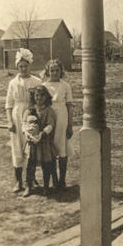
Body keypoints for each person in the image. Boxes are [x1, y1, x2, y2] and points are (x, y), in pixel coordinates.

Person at [5, 48, 41, 193]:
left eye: (25, 66)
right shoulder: (13, 83)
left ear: (30, 66)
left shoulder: (37, 81)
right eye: (20, 66)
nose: (23, 68)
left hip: (31, 116)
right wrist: (9, 121)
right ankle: (18, 182)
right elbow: (8, 104)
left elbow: (41, 100)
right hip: (16, 115)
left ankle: (29, 184)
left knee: (30, 149)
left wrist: (36, 119)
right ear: (17, 67)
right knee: (17, 148)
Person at [43, 58, 74, 189]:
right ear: (48, 71)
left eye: (57, 70)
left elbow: (70, 106)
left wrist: (70, 125)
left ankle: (62, 180)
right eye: (52, 70)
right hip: (48, 116)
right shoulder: (44, 86)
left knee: (62, 148)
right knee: (49, 148)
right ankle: (54, 179)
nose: (54, 73)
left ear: (61, 71)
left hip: (62, 117)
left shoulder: (65, 86)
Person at [22, 85, 56, 197]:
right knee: (30, 164)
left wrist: (42, 134)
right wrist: (27, 133)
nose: (39, 98)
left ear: (47, 97)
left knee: (46, 164)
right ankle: (28, 186)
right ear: (33, 96)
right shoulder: (30, 110)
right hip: (32, 142)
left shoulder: (48, 111)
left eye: (42, 95)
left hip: (43, 141)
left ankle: (46, 186)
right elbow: (24, 123)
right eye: (37, 95)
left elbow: (50, 125)